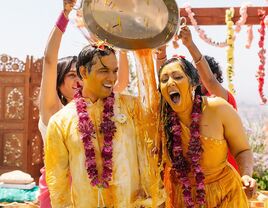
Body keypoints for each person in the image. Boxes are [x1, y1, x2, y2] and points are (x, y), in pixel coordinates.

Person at [44, 44, 165, 207]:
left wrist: (155, 201)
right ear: (83, 72)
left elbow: (148, 158)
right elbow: (58, 183)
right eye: (103, 71)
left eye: (115, 71)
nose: (112, 78)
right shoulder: (61, 121)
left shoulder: (131, 107)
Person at [38, 0, 129, 207]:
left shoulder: (97, 106)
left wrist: (122, 41)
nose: (77, 80)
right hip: (59, 190)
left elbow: (121, 81)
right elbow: (49, 59)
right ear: (58, 82)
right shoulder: (53, 111)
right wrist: (65, 14)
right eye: (71, 75)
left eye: (79, 74)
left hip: (94, 193)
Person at [158, 56, 256, 207]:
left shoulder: (218, 108)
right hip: (181, 199)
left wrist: (246, 175)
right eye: (164, 80)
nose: (170, 82)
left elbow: (242, 150)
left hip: (225, 196)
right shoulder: (159, 120)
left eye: (177, 77)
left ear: (193, 84)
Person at [156, 26, 239, 172]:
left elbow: (209, 80)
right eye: (193, 71)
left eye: (199, 71)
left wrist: (190, 45)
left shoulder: (221, 101)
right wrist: (161, 52)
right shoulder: (186, 103)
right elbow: (166, 85)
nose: (196, 74)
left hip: (224, 177)